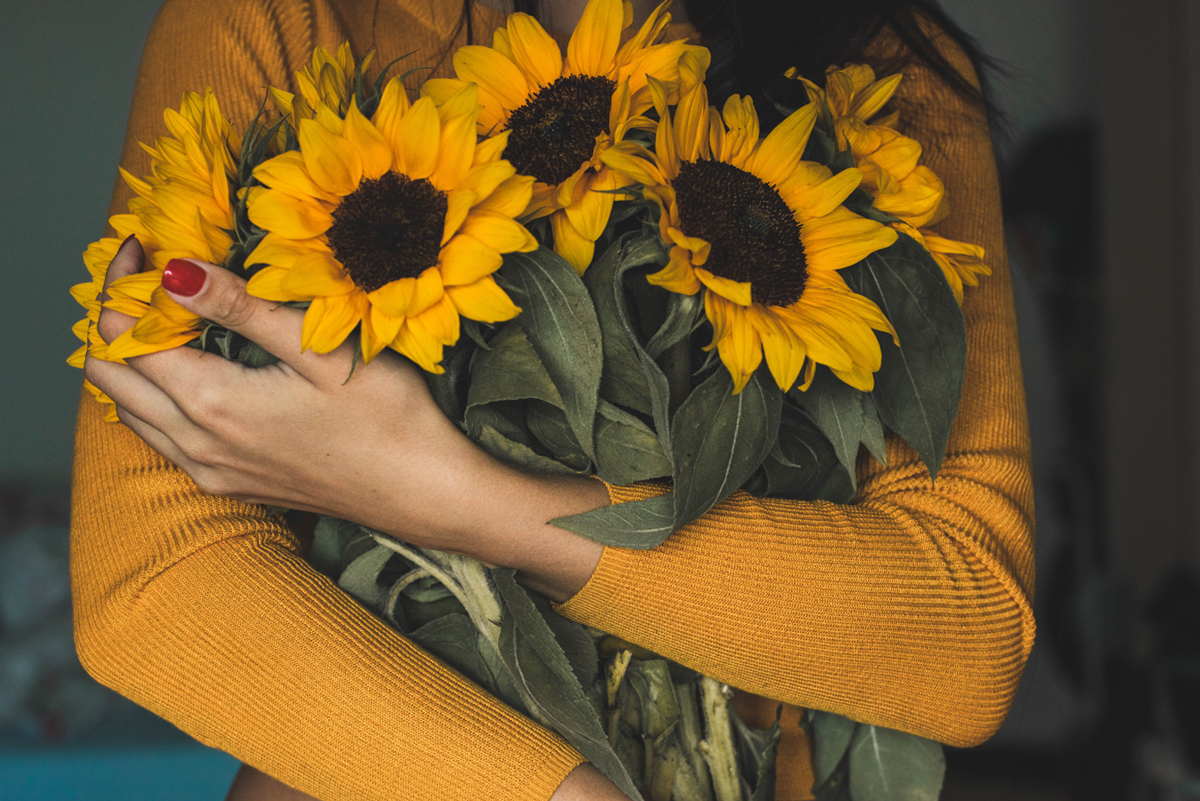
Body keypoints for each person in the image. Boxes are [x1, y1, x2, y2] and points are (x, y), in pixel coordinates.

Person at [73, 0, 1034, 799]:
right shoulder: (282, 19)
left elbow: (968, 628)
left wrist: (448, 494)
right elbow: (155, 583)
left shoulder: (873, 59)